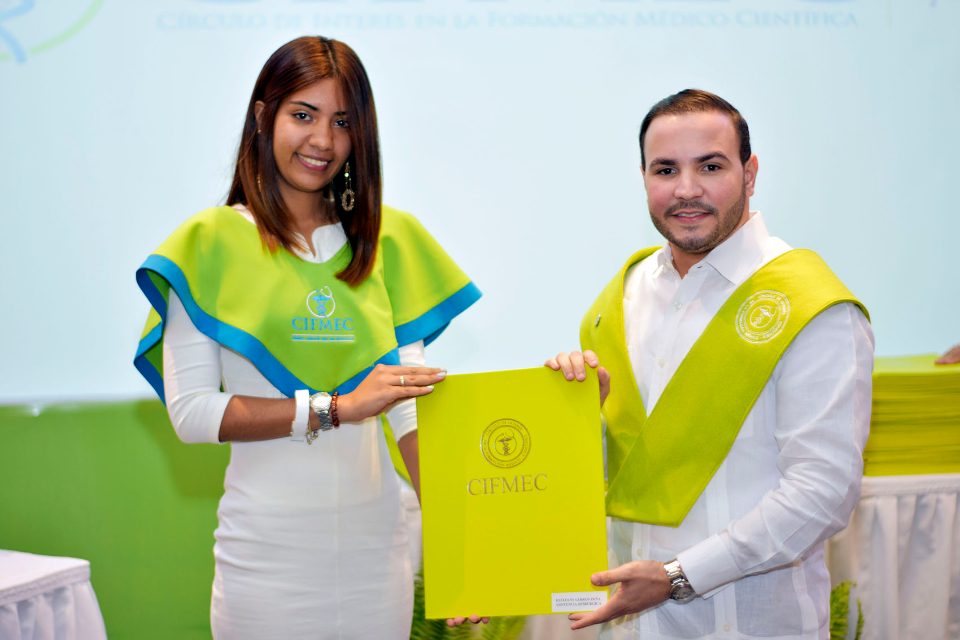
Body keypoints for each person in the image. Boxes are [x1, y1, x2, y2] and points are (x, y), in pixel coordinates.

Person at [133, 36, 481, 639]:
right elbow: (191, 413)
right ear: (263, 117)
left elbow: (407, 412)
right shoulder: (210, 243)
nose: (322, 140)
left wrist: (456, 538)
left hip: (379, 559)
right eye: (303, 115)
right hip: (266, 562)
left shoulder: (387, 241)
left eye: (342, 122)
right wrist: (334, 409)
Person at [547, 89, 874, 639]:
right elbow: (616, 474)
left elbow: (823, 491)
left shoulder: (811, 304)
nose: (686, 189)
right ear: (644, 178)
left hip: (751, 625)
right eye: (665, 169)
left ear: (750, 173)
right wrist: (573, 418)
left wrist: (679, 576)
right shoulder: (623, 295)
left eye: (711, 166)